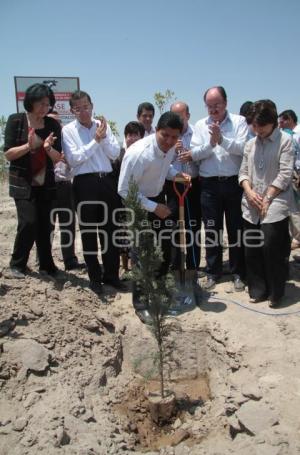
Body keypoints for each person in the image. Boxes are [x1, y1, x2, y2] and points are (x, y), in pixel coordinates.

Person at [118, 111, 190, 322]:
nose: (168, 141)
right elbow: (123, 190)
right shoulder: (138, 154)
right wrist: (153, 207)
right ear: (156, 130)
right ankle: (141, 304)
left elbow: (163, 168)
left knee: (164, 249)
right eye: (164, 135)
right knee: (142, 255)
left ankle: (159, 291)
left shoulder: (169, 148)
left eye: (174, 137)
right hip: (137, 204)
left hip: (156, 199)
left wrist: (176, 175)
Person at [179, 86, 248, 291]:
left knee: (236, 229)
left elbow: (244, 148)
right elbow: (195, 153)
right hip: (209, 185)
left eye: (216, 105)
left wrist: (222, 140)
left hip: (234, 183)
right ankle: (212, 271)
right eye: (209, 106)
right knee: (211, 229)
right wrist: (211, 143)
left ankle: (237, 272)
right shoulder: (201, 125)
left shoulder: (239, 122)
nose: (213, 109)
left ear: (226, 103)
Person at [62, 90, 123, 295]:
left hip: (107, 181)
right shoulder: (68, 130)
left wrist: (103, 137)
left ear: (92, 105)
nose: (83, 111)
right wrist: (95, 141)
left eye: (86, 106)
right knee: (89, 233)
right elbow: (74, 159)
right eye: (78, 108)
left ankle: (112, 276)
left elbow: (114, 153)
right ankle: (95, 278)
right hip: (84, 183)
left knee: (110, 231)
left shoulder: (101, 125)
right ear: (72, 111)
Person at [239, 100, 294, 308]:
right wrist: (250, 192)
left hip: (276, 199)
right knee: (252, 246)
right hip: (252, 200)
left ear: (272, 123)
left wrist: (268, 197)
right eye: (254, 125)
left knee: (272, 245)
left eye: (261, 126)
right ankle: (258, 289)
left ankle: (276, 291)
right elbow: (243, 172)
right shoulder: (250, 144)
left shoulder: (285, 141)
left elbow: (285, 173)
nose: (257, 130)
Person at [4, 83, 61, 278]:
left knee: (45, 225)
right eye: (41, 104)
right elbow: (9, 154)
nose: (45, 108)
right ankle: (17, 264)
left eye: (48, 104)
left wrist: (46, 148)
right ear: (31, 102)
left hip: (46, 183)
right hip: (22, 182)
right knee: (28, 222)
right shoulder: (16, 120)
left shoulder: (53, 125)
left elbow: (57, 157)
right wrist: (29, 146)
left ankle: (47, 265)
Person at [48, 111, 85, 271]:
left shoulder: (67, 142)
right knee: (46, 226)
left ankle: (70, 260)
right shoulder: (41, 143)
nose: (55, 126)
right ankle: (43, 260)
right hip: (47, 188)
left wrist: (67, 160)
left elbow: (74, 165)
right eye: (51, 122)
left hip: (65, 186)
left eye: (57, 122)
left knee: (68, 225)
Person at [167, 101, 201, 270]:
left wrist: (190, 154)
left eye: (181, 116)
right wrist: (174, 149)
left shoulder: (198, 132)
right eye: (174, 116)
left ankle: (193, 265)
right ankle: (176, 265)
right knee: (174, 226)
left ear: (188, 115)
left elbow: (204, 157)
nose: (178, 120)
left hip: (193, 184)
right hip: (174, 184)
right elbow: (163, 162)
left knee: (193, 225)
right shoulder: (167, 135)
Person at [112, 121, 145, 272]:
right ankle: (125, 268)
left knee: (138, 235)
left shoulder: (145, 155)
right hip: (122, 202)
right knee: (123, 236)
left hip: (141, 200)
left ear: (141, 137)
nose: (131, 138)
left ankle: (138, 267)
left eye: (135, 135)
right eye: (129, 135)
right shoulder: (119, 155)